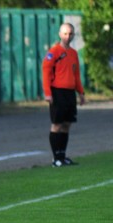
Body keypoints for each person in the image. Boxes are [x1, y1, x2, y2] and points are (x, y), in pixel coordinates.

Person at [42, 22, 85, 167]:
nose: (68, 36)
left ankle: (62, 155)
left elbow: (76, 75)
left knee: (67, 124)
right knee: (56, 124)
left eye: (70, 33)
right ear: (60, 34)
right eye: (65, 33)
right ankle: (56, 159)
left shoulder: (73, 53)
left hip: (69, 93)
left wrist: (81, 92)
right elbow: (46, 73)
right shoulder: (53, 52)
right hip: (57, 92)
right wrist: (48, 93)